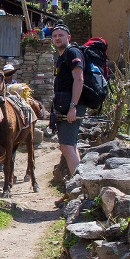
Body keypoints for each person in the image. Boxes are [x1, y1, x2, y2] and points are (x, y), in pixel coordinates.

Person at [51, 23, 84, 203]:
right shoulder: (61, 56)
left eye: (61, 35)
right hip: (66, 106)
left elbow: (79, 79)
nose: (57, 38)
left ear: (68, 37)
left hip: (71, 106)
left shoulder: (73, 53)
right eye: (55, 36)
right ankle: (77, 187)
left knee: (66, 147)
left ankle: (79, 191)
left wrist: (73, 106)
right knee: (71, 146)